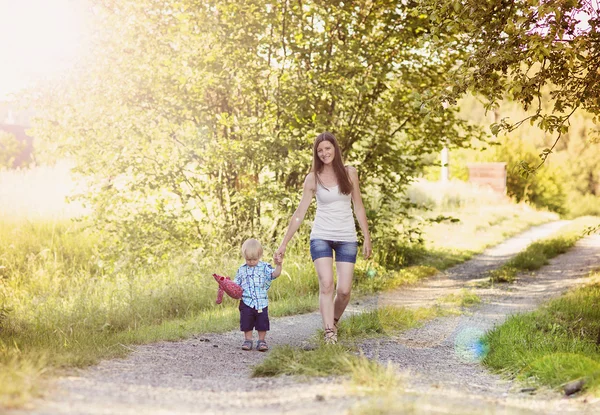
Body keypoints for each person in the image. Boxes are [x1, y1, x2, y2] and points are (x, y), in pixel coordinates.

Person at [275, 132, 372, 344]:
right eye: (320, 150)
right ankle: (329, 333)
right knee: (327, 284)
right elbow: (300, 213)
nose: (324, 153)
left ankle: (333, 322)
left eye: (327, 148)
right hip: (321, 236)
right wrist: (284, 243)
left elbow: (358, 206)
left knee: (344, 291)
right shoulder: (313, 178)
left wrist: (367, 236)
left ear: (335, 149)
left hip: (347, 236)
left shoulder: (350, 173)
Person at [234, 238, 282, 351]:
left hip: (261, 301)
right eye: (248, 259)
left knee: (262, 322)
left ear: (259, 256)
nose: (251, 261)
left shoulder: (264, 267)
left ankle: (261, 340)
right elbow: (236, 284)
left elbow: (275, 274)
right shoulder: (241, 270)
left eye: (254, 259)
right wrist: (228, 285)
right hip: (246, 301)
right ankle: (248, 340)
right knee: (246, 321)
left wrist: (279, 265)